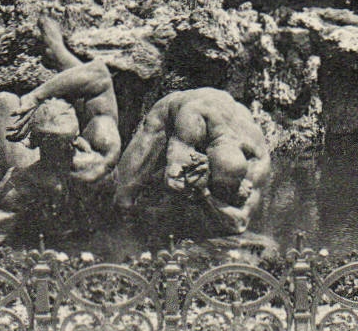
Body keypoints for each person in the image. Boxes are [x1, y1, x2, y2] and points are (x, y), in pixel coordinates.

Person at [0, 18, 122, 245]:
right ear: (76, 136)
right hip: (86, 225)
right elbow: (100, 76)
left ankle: (55, 54)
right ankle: (59, 53)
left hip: (40, 205)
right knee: (94, 91)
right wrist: (39, 94)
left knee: (4, 101)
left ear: (31, 140)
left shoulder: (22, 183)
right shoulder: (101, 154)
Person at [112, 88, 272, 235]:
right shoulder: (193, 117)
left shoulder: (259, 161)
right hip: (166, 119)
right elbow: (173, 179)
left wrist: (204, 193)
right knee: (122, 197)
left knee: (218, 209)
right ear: (206, 153)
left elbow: (240, 224)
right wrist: (184, 175)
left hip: (218, 136)